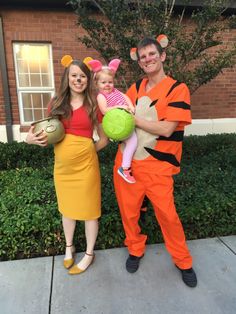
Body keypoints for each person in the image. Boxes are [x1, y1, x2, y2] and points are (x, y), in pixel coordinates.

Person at [113, 35, 197, 287]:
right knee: (129, 213)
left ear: (162, 56)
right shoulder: (135, 88)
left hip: (159, 168)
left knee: (168, 216)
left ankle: (183, 261)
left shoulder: (177, 88)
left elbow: (167, 129)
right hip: (127, 165)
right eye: (143, 57)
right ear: (139, 62)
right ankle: (135, 249)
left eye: (152, 54)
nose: (147, 59)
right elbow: (118, 115)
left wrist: (133, 120)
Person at [26, 55, 108, 275]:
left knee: (90, 211)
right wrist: (29, 139)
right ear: (67, 78)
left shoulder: (93, 104)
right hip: (63, 169)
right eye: (74, 75)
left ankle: (89, 253)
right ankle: (69, 248)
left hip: (87, 168)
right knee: (68, 210)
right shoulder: (56, 103)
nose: (78, 79)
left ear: (87, 79)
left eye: (82, 76)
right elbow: (42, 133)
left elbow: (104, 138)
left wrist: (88, 151)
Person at [88, 58, 137, 184]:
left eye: (110, 82)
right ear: (97, 84)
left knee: (134, 141)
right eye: (103, 82)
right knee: (133, 141)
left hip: (123, 121)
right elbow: (104, 110)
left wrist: (131, 106)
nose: (107, 85)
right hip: (115, 125)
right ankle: (125, 168)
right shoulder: (101, 96)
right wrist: (120, 107)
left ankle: (127, 166)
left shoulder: (115, 92)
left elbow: (125, 97)